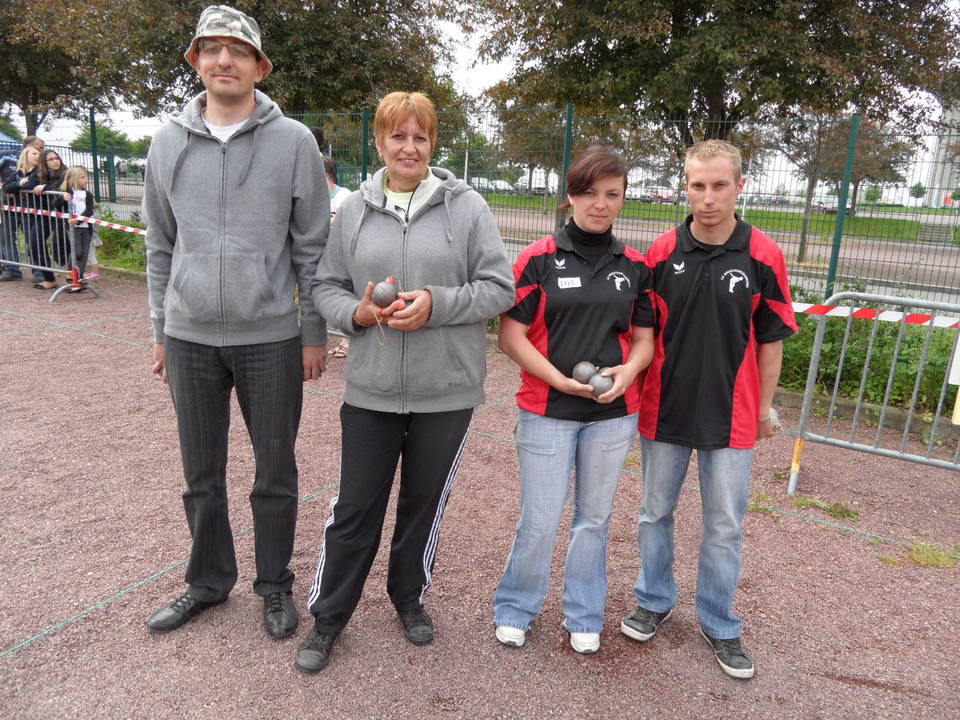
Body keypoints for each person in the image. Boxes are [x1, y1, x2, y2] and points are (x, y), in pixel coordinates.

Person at [296, 91, 514, 673]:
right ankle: (329, 617)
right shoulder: (355, 210)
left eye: (420, 137)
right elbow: (325, 286)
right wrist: (359, 315)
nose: (409, 147)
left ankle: (408, 598)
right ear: (380, 142)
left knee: (423, 505)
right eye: (398, 136)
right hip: (370, 388)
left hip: (447, 390)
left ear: (433, 144)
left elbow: (499, 287)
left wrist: (436, 304)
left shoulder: (468, 207)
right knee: (355, 506)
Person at [142, 4, 329, 640]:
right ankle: (207, 581)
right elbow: (159, 244)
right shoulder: (167, 141)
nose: (225, 60)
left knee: (275, 469)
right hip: (190, 337)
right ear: (196, 60)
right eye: (212, 49)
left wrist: (313, 332)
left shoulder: (295, 142)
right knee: (201, 472)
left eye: (238, 50)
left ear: (258, 65)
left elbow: (312, 247)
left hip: (271, 337)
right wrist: (161, 328)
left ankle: (274, 584)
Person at [620, 140, 797, 679]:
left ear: (740, 187)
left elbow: (771, 341)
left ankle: (719, 621)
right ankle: (654, 598)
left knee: (724, 525)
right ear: (686, 187)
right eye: (698, 185)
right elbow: (643, 334)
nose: (708, 197)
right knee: (655, 513)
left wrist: (764, 409)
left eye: (720, 185)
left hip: (733, 415)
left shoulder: (764, 254)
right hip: (664, 409)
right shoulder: (660, 251)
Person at [491, 145, 655, 655]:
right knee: (540, 516)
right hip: (546, 409)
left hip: (611, 415)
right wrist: (559, 380)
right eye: (589, 193)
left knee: (595, 518)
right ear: (571, 196)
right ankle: (516, 608)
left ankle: (584, 613)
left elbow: (645, 340)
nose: (600, 204)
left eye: (612, 194)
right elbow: (510, 337)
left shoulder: (635, 266)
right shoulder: (538, 258)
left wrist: (630, 370)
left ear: (624, 199)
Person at [322, 154, 351, 358]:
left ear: (326, 175)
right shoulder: (317, 198)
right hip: (324, 255)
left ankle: (347, 341)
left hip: (340, 257)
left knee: (342, 295)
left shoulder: (344, 197)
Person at [55, 166, 95, 288]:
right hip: (73, 228)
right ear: (73, 179)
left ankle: (80, 276)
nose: (86, 179)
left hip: (86, 226)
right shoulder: (67, 192)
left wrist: (78, 219)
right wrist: (62, 198)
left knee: (84, 252)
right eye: (83, 177)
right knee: (76, 251)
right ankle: (70, 272)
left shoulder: (87, 194)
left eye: (86, 177)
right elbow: (55, 204)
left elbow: (89, 210)